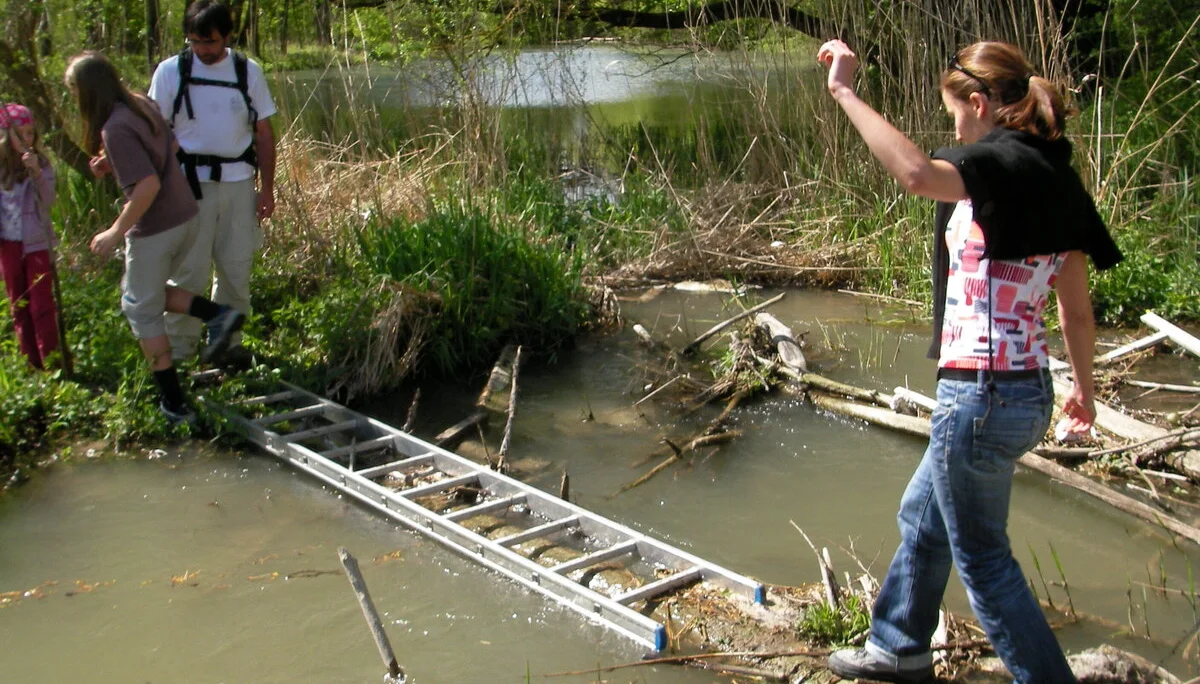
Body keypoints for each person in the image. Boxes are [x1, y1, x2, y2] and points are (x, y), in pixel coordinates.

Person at [816, 39, 1123, 683]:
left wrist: (845, 92)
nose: (954, 129)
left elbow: (917, 175)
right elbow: (1075, 309)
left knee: (983, 560)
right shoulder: (1057, 176)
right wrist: (1085, 391)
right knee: (922, 516)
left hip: (979, 393)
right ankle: (898, 645)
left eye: (955, 113)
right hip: (1026, 389)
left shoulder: (994, 163)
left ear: (980, 104)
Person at [65, 51, 246, 424]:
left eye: (73, 93)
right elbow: (172, 148)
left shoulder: (114, 127)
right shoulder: (142, 104)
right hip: (185, 216)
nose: (73, 101)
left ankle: (173, 404)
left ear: (87, 93)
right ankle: (218, 315)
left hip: (157, 227)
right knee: (147, 292)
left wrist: (115, 231)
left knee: (140, 308)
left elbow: (147, 184)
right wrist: (112, 160)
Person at [147, 0, 277, 367]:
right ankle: (182, 354)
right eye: (195, 42)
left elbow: (264, 133)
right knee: (188, 270)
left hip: (238, 184)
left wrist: (266, 189)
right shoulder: (171, 72)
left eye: (211, 42)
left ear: (228, 37)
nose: (203, 50)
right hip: (187, 187)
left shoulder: (247, 71)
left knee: (236, 268)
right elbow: (156, 133)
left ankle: (227, 347)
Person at [0, 103, 59, 370]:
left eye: (30, 133)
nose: (27, 139)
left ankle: (53, 363)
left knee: (41, 304)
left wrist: (36, 173)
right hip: (8, 245)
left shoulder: (41, 164)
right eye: (20, 134)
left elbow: (48, 201)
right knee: (18, 304)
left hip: (36, 244)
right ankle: (31, 364)